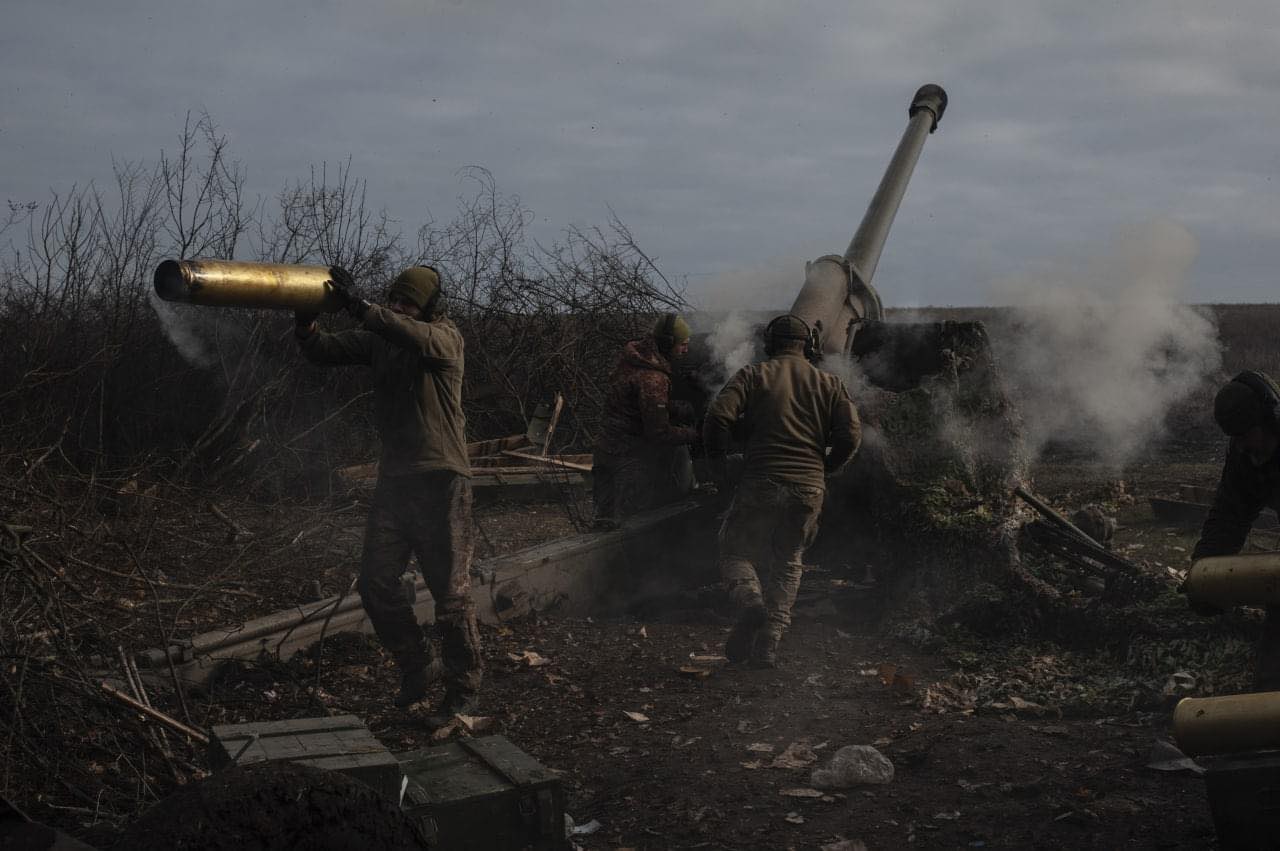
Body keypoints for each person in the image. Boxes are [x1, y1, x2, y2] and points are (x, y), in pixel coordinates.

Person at [295, 265, 482, 718]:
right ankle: (419, 666)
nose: (399, 308)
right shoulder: (382, 339)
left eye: (409, 303)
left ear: (428, 308)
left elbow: (412, 335)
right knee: (377, 585)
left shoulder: (445, 339)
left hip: (443, 482)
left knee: (451, 598)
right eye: (395, 300)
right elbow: (322, 350)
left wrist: (364, 308)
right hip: (396, 483)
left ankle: (463, 691)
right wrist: (306, 316)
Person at [702, 314, 861, 668]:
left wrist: (719, 466)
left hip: (760, 480)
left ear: (770, 344)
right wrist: (827, 468)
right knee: (789, 561)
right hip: (808, 488)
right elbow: (851, 435)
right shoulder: (830, 383)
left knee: (735, 552)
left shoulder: (753, 375)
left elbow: (717, 418)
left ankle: (749, 602)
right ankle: (769, 643)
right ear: (810, 346)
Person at [1190, 370, 1280, 691]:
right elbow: (1229, 515)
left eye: (1246, 436)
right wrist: (1206, 574)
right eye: (1236, 440)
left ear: (1269, 420)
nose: (1242, 448)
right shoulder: (1244, 455)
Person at [592, 312, 699, 524]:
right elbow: (659, 433)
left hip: (605, 451)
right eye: (682, 344)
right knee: (632, 530)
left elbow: (634, 402)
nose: (686, 350)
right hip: (629, 461)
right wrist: (695, 434)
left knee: (604, 522)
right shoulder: (653, 377)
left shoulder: (634, 359)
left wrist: (673, 407)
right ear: (668, 343)